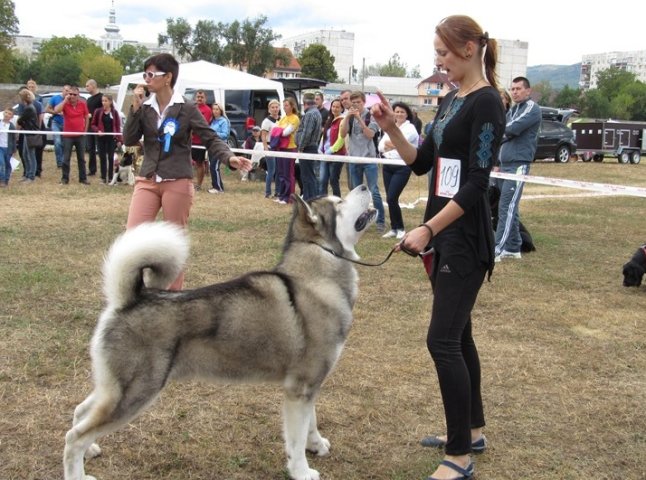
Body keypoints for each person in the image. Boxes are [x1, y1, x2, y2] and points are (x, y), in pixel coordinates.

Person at [371, 15, 505, 480]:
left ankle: (460, 457)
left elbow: (477, 184)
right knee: (459, 335)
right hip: (442, 237)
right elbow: (424, 163)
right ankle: (472, 432)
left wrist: (428, 228)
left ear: (470, 49)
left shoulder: (488, 103)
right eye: (436, 53)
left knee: (442, 340)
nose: (439, 61)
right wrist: (391, 127)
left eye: (444, 53)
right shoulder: (450, 100)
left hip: (464, 239)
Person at [123, 53, 251, 290]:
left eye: (151, 75)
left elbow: (210, 137)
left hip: (178, 182)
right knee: (132, 239)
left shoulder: (187, 108)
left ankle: (173, 299)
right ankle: (133, 295)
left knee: (174, 244)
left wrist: (229, 157)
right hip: (148, 179)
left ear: (168, 77)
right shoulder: (144, 108)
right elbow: (129, 138)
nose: (146, 79)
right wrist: (135, 107)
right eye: (145, 75)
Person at [494, 76, 540, 262]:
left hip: (518, 164)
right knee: (508, 207)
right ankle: (513, 247)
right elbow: (502, 132)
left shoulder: (532, 108)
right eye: (512, 89)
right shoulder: (513, 110)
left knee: (507, 206)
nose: (514, 92)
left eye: (518, 89)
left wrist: (500, 132)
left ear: (528, 91)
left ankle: (498, 248)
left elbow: (512, 129)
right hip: (504, 164)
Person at [339, 90, 385, 232]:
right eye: (353, 103)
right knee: (356, 192)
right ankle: (357, 220)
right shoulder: (350, 117)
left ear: (364, 102)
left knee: (374, 190)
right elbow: (342, 134)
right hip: (354, 158)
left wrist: (359, 118)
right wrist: (347, 117)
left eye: (358, 102)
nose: (356, 105)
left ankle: (380, 221)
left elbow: (370, 134)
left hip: (369, 158)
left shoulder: (371, 116)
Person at [378, 101, 418, 240]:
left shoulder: (411, 128)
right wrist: (391, 145)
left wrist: (393, 144)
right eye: (397, 111)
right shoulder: (391, 127)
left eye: (402, 112)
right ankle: (394, 228)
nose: (399, 114)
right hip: (387, 165)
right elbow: (381, 146)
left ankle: (400, 228)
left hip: (402, 166)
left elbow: (400, 143)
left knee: (392, 197)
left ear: (407, 114)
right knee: (390, 199)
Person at [295, 92, 322, 201]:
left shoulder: (310, 114)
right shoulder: (317, 113)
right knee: (309, 176)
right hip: (312, 147)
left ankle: (309, 200)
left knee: (307, 177)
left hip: (307, 148)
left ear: (305, 103)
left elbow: (306, 133)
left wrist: (301, 147)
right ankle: (311, 199)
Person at [91, 94, 122, 184]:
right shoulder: (98, 111)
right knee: (102, 157)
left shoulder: (114, 112)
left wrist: (119, 139)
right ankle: (103, 177)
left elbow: (117, 126)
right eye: (103, 101)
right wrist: (98, 131)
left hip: (111, 138)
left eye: (105, 101)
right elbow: (93, 124)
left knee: (111, 157)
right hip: (101, 138)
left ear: (110, 102)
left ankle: (111, 177)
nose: (103, 102)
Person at [274, 97, 300, 205]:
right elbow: (275, 131)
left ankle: (289, 197)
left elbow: (285, 132)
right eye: (283, 105)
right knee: (281, 172)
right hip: (281, 147)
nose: (284, 107)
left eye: (287, 105)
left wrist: (279, 130)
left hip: (290, 148)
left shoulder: (295, 118)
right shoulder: (283, 118)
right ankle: (281, 195)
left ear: (292, 106)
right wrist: (279, 130)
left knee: (288, 174)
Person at [319, 98, 346, 197]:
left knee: (333, 181)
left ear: (342, 109)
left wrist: (330, 150)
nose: (335, 108)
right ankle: (322, 202)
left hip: (336, 156)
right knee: (322, 181)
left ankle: (338, 203)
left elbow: (341, 140)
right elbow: (324, 137)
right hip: (324, 154)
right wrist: (320, 148)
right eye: (333, 106)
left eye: (337, 107)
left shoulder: (342, 120)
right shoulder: (329, 120)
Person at [16, 88, 40, 183]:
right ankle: (27, 174)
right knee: (25, 154)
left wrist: (21, 122)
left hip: (31, 134)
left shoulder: (29, 108)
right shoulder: (29, 107)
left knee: (30, 155)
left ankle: (31, 176)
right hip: (27, 132)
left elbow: (20, 120)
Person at [191, 90, 213, 191]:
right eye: (198, 97)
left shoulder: (207, 110)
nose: (199, 98)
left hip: (200, 142)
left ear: (205, 98)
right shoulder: (192, 108)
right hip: (189, 141)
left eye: (201, 97)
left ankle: (198, 184)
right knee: (189, 163)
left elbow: (203, 125)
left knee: (199, 163)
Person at [208, 102, 230, 194]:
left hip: (220, 147)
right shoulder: (212, 121)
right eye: (213, 109)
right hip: (212, 146)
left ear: (221, 111)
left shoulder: (224, 121)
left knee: (214, 166)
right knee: (212, 166)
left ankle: (218, 188)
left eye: (217, 109)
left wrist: (213, 133)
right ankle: (216, 185)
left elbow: (225, 135)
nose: (215, 111)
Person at [46, 84, 70, 168]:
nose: (67, 92)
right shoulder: (55, 98)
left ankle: (64, 161)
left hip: (66, 123)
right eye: (65, 90)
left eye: (68, 91)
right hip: (56, 122)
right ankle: (59, 162)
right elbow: (47, 109)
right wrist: (56, 112)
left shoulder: (70, 100)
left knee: (64, 143)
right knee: (57, 142)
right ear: (62, 90)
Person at [260, 99, 280, 198]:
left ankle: (278, 191)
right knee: (271, 170)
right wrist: (265, 147)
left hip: (278, 147)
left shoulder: (281, 119)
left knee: (278, 170)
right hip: (269, 146)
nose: (275, 109)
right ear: (269, 109)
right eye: (273, 107)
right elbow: (263, 135)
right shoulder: (266, 121)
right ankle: (268, 192)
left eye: (276, 107)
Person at [85, 79, 103, 176]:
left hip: (98, 126)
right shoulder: (89, 99)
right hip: (90, 126)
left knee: (100, 148)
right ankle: (92, 169)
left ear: (93, 85)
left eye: (88, 86)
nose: (86, 87)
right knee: (90, 148)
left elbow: (105, 110)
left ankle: (103, 170)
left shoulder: (101, 98)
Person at [0, 109, 17, 187]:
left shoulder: (11, 126)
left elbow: (14, 138)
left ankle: (6, 180)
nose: (7, 114)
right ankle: (2, 180)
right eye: (6, 112)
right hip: (0, 147)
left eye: (9, 114)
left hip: (8, 148)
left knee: (7, 164)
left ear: (12, 116)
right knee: (1, 163)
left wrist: (14, 149)